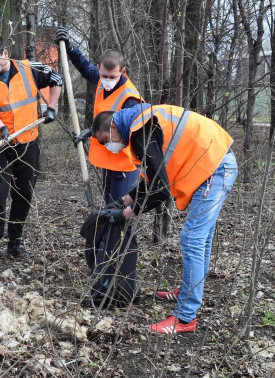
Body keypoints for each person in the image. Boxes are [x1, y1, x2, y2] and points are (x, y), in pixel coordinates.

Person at [91, 103, 238, 333]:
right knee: (202, 237)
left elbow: (160, 190)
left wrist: (127, 213)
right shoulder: (139, 123)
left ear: (112, 126)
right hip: (215, 162)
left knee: (192, 238)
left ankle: (185, 317)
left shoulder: (140, 131)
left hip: (215, 167)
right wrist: (122, 202)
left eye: (104, 139)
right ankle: (189, 290)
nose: (108, 145)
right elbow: (153, 178)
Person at [0, 36, 63, 267]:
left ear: (4, 52)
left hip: (28, 142)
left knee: (24, 193)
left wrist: (50, 108)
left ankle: (15, 242)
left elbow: (56, 78)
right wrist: (2, 127)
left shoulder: (28, 68)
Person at [56, 27, 143, 204]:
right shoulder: (100, 80)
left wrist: (89, 131)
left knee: (119, 211)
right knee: (109, 207)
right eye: (104, 75)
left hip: (124, 163)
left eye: (113, 76)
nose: (108, 80)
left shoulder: (130, 98)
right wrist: (70, 49)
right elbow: (84, 66)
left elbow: (121, 127)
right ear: (99, 69)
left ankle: (122, 234)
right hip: (109, 158)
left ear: (123, 71)